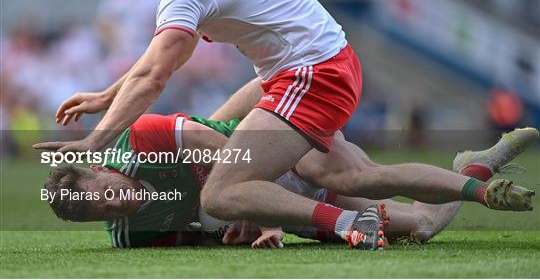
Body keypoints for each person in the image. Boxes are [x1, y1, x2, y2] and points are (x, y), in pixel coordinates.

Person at [33, 0, 534, 250]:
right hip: (302, 71)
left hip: (310, 73)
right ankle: (473, 176)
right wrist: (105, 95)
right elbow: (150, 66)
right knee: (367, 189)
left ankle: (342, 220)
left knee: (223, 191)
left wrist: (94, 143)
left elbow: (156, 77)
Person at [43, 109, 538, 249]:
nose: (116, 206)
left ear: (101, 169)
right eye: (102, 213)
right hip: (274, 207)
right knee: (422, 226)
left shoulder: (146, 139)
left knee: (368, 180)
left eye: (107, 195)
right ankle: (475, 166)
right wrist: (240, 236)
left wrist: (264, 222)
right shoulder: (132, 235)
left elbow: (245, 159)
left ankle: (477, 187)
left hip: (282, 154)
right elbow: (205, 234)